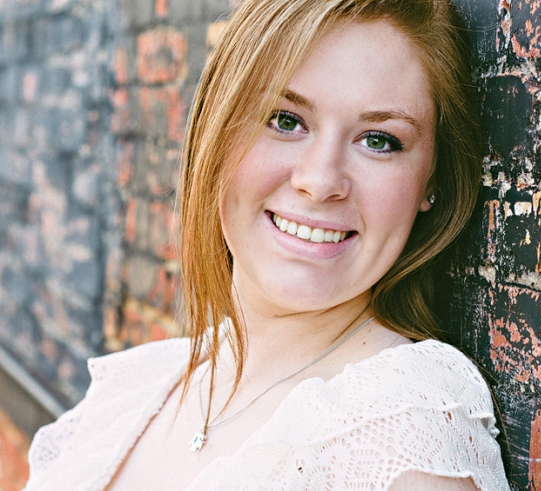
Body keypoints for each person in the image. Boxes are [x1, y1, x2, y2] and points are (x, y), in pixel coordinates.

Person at [24, 0, 510, 489]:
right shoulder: (139, 388)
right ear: (217, 130)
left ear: (432, 183)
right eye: (284, 119)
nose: (320, 181)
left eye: (379, 140)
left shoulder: (405, 439)